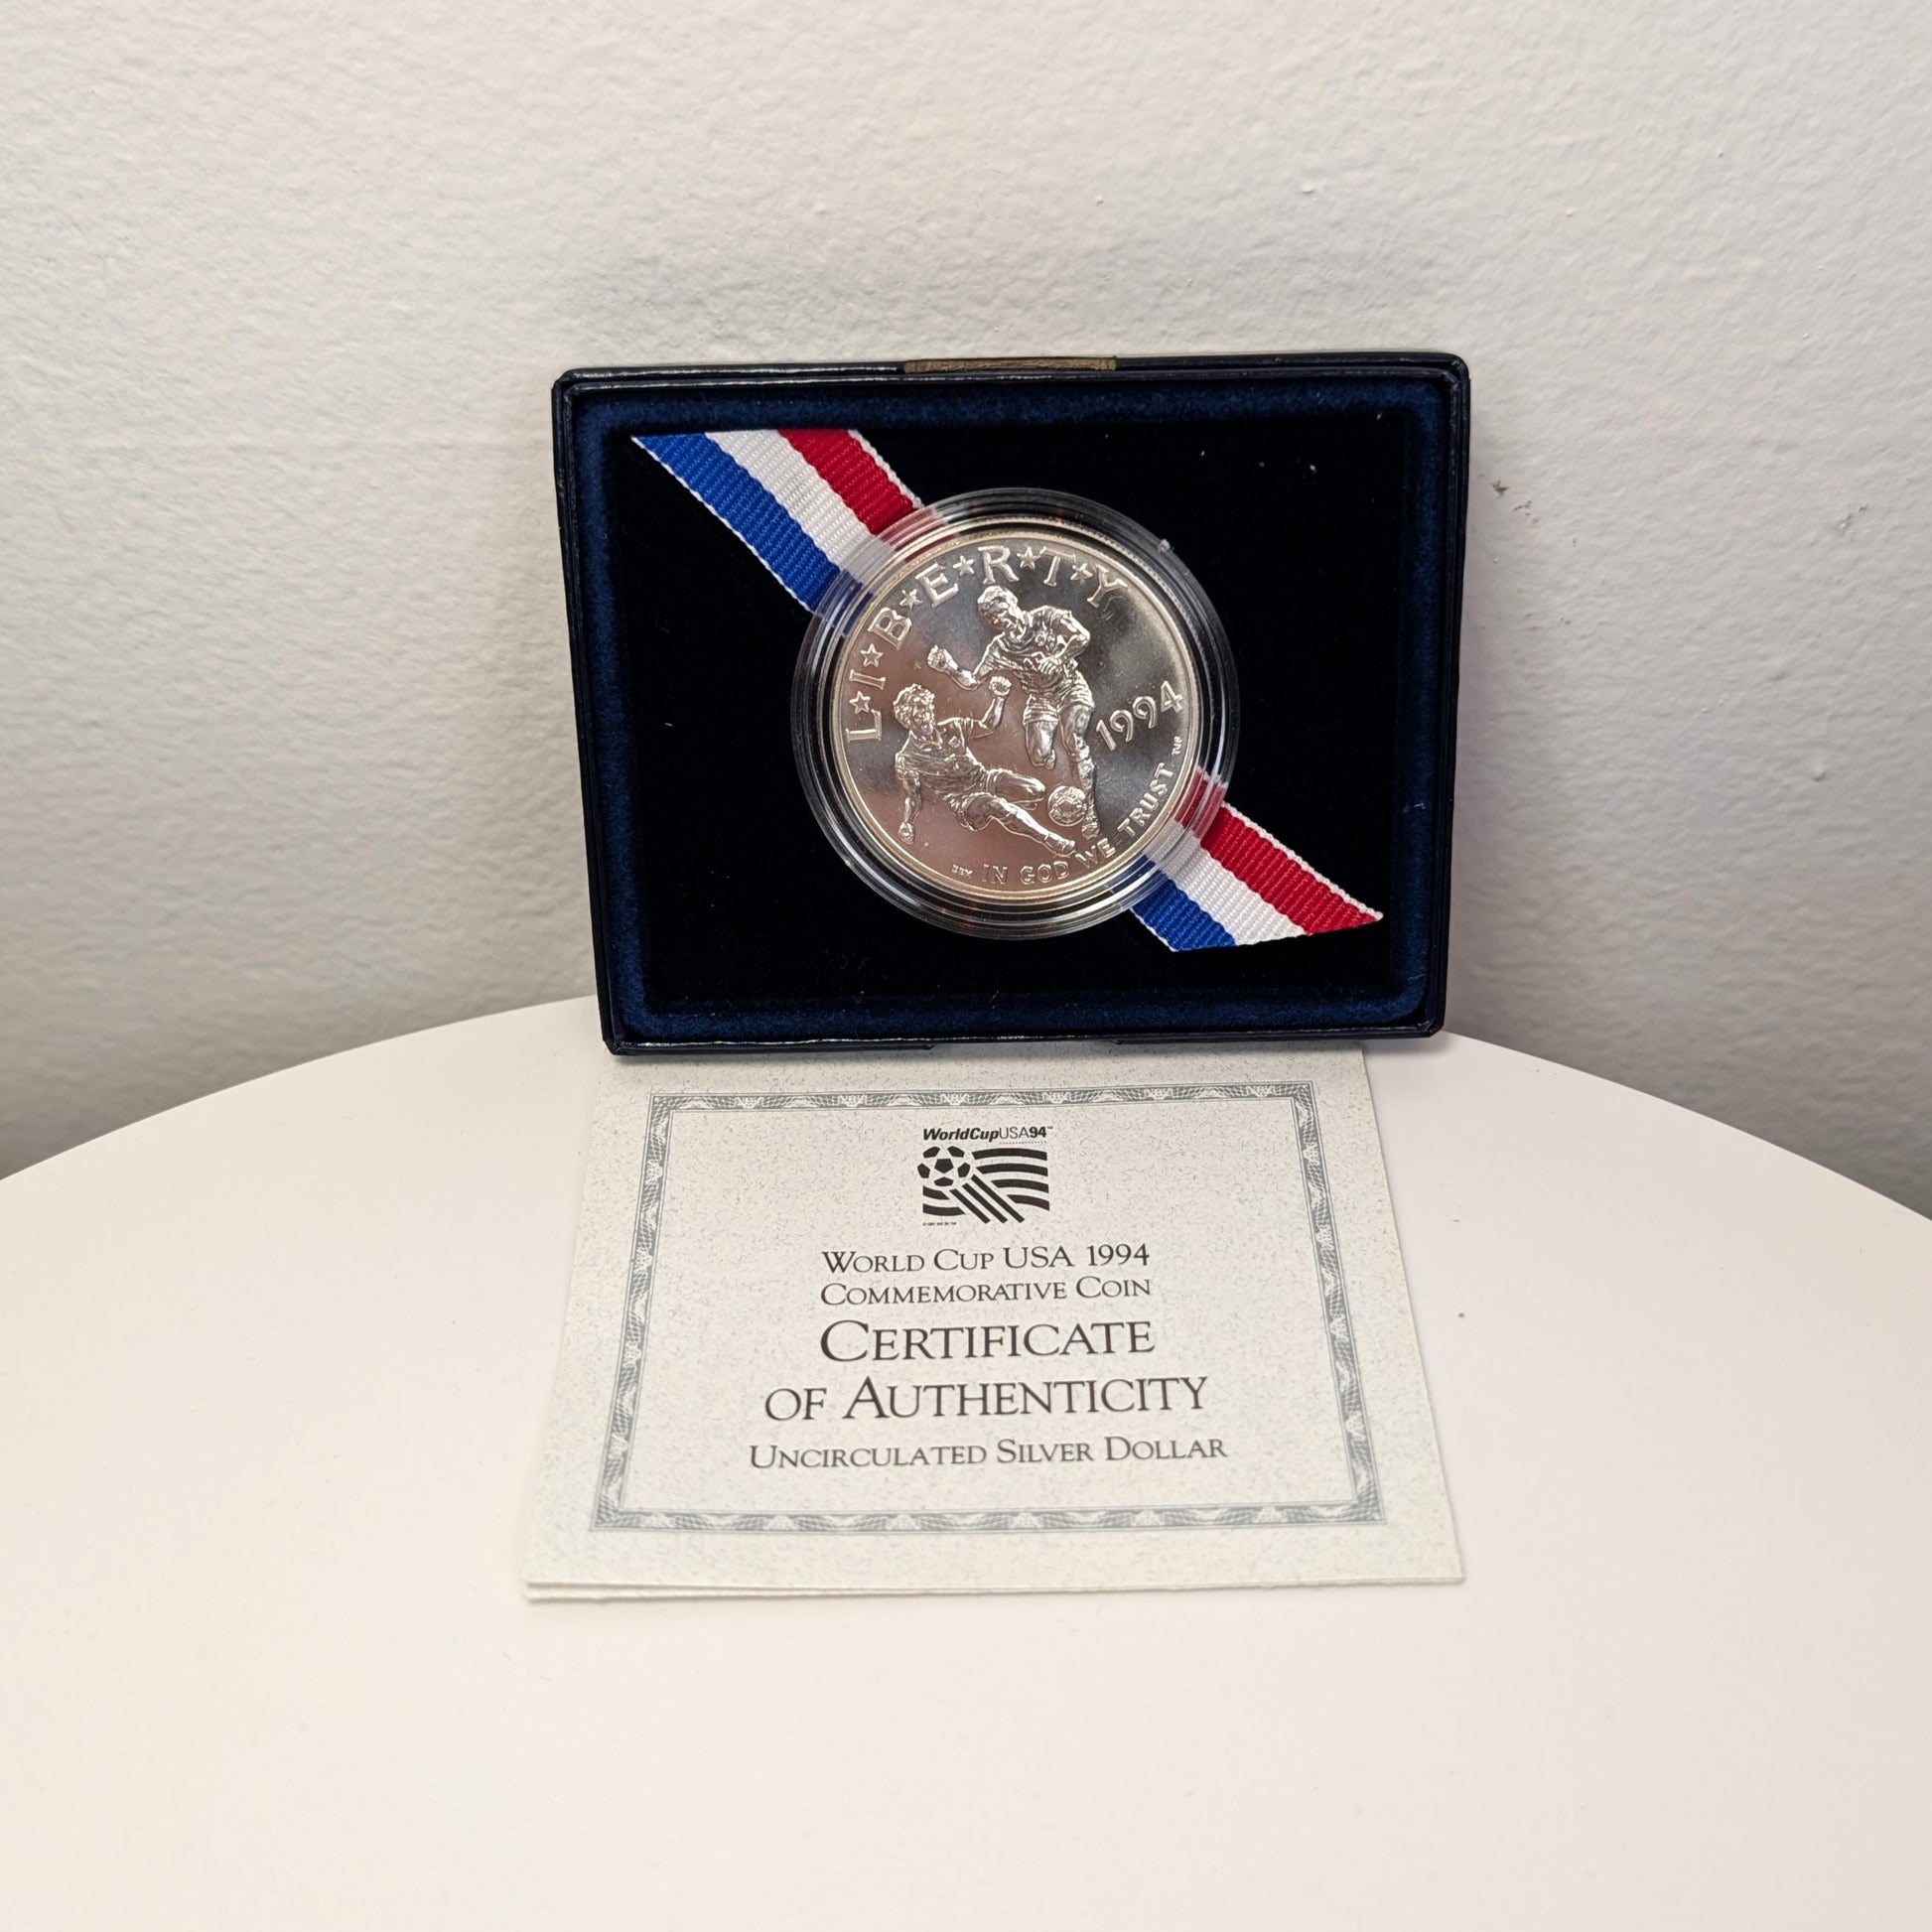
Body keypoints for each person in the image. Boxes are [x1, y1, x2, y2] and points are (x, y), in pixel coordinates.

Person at [925, 584, 1101, 841]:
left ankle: (1090, 811)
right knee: (1039, 755)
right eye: (993, 619)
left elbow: (1082, 636)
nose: (999, 620)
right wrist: (949, 668)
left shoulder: (1045, 617)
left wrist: (1059, 658)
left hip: (1070, 687)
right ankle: (1052, 760)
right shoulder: (999, 648)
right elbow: (974, 681)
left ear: (1011, 601)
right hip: (1040, 699)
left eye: (1000, 611)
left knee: (1072, 741)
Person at [892, 681, 1074, 856]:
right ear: (908, 720)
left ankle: (1014, 814)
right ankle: (1048, 839)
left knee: (1037, 790)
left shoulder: (954, 726)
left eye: (927, 707)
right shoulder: (907, 758)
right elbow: (913, 798)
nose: (926, 715)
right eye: (919, 713)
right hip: (963, 800)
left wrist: (999, 698)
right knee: (996, 806)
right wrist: (907, 823)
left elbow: (988, 726)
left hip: (984, 779)